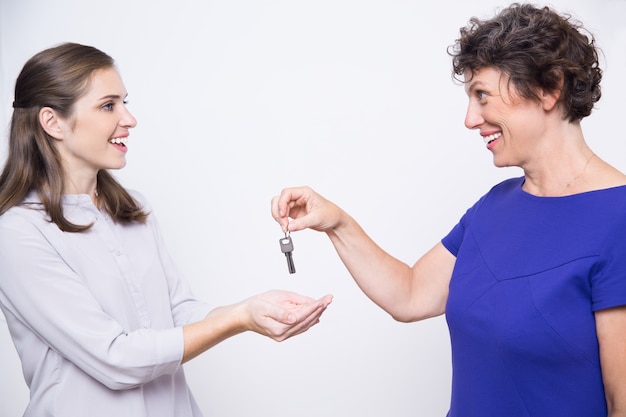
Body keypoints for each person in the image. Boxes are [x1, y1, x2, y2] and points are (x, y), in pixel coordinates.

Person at [272, 3, 626, 416]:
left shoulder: (617, 217)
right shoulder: (496, 205)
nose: (470, 119)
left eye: (482, 95)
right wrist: (336, 222)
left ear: (549, 87)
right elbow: (409, 295)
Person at [0, 42, 333, 417]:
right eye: (109, 105)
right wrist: (239, 317)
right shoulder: (18, 235)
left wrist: (254, 308)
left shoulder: (134, 210)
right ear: (52, 121)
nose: (129, 119)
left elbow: (178, 312)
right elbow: (116, 358)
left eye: (125, 102)